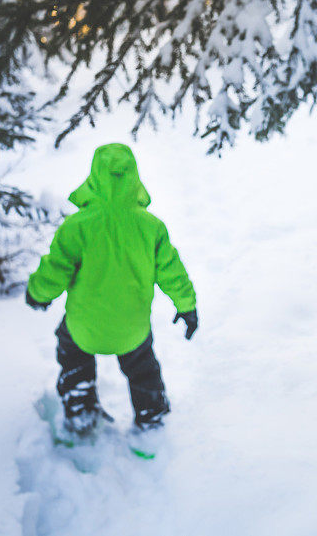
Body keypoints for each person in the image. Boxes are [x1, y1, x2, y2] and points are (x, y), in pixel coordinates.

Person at [25, 143, 198, 435]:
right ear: (134, 177)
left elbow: (55, 268)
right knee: (143, 368)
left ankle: (80, 410)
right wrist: (187, 307)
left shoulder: (76, 227)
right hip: (132, 327)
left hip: (84, 326)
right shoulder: (151, 227)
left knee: (71, 352)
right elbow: (172, 272)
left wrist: (38, 294)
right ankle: (151, 415)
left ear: (94, 176)